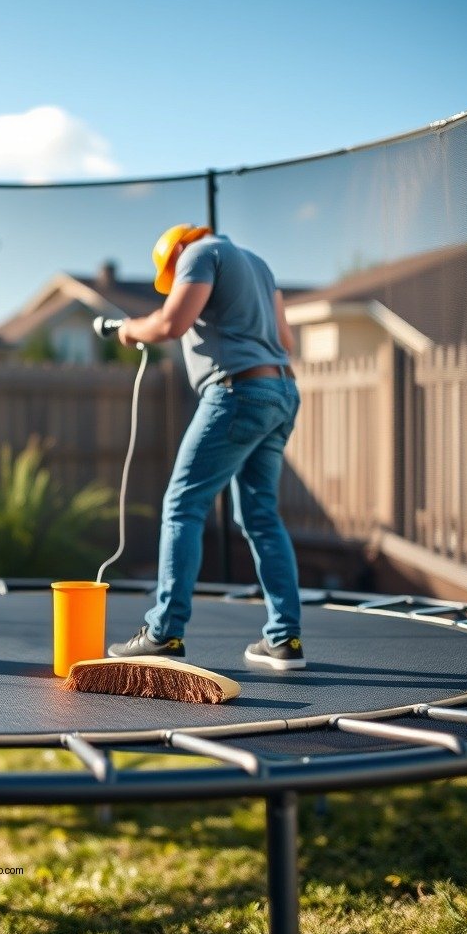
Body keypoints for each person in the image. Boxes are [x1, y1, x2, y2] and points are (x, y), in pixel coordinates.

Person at [106, 224, 305, 670]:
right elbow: (286, 342)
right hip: (282, 393)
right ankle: (284, 639)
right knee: (260, 514)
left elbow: (172, 323)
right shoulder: (258, 264)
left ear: (176, 254)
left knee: (183, 505)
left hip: (237, 394)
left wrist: (131, 329)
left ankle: (163, 633)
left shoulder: (198, 255)